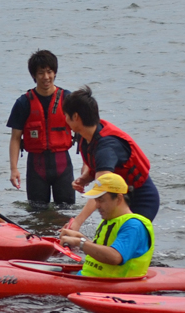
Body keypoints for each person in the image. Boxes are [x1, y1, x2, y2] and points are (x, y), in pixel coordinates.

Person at [62, 85, 160, 231]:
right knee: (105, 238)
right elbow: (98, 166)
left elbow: (102, 188)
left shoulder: (106, 147)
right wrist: (86, 177)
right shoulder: (87, 135)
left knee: (123, 243)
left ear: (75, 117)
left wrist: (77, 222)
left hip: (141, 199)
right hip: (117, 198)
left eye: (66, 115)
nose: (65, 119)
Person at [6, 50, 76, 206]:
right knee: (36, 215)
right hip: (36, 167)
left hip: (62, 164)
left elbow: (83, 133)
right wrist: (14, 169)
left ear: (55, 73)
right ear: (34, 76)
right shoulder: (23, 103)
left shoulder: (68, 99)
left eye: (49, 72)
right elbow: (15, 138)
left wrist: (87, 165)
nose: (46, 77)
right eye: (41, 73)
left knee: (67, 212)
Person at [59, 173, 154, 277]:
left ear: (118, 198)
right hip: (89, 279)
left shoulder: (133, 226)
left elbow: (115, 257)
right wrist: (80, 237)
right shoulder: (110, 220)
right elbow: (103, 250)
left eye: (101, 200)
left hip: (111, 286)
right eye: (96, 200)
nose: (97, 205)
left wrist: (80, 242)